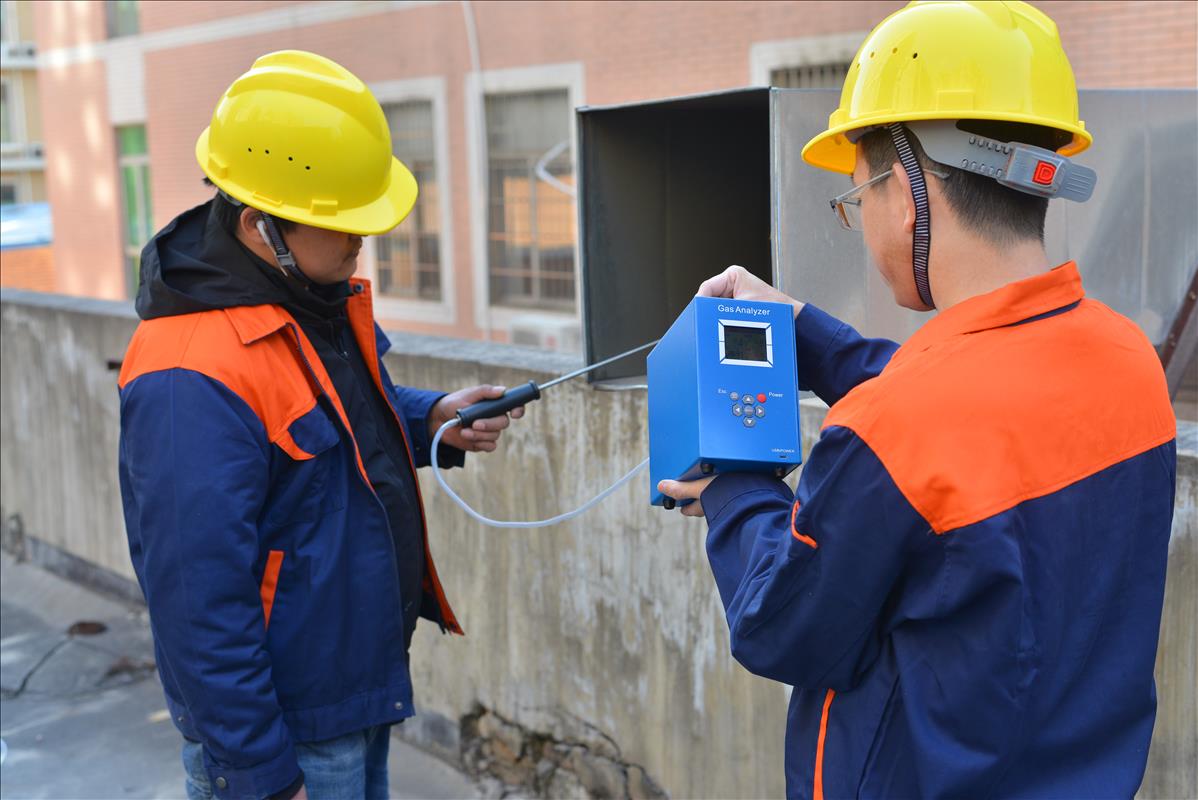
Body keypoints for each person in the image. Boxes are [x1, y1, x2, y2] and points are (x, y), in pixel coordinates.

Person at [659, 2, 1176, 797]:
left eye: (856, 199)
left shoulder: (893, 428)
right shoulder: (1128, 359)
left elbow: (780, 626)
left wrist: (731, 488)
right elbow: (969, 404)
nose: (862, 223)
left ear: (903, 193)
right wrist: (807, 333)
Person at [117, 51, 522, 800]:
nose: (360, 240)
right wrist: (261, 775)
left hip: (352, 694)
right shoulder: (189, 371)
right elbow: (197, 602)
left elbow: (330, 423)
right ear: (258, 225)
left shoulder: (302, 301)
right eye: (341, 225)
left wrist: (431, 418)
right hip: (286, 734)